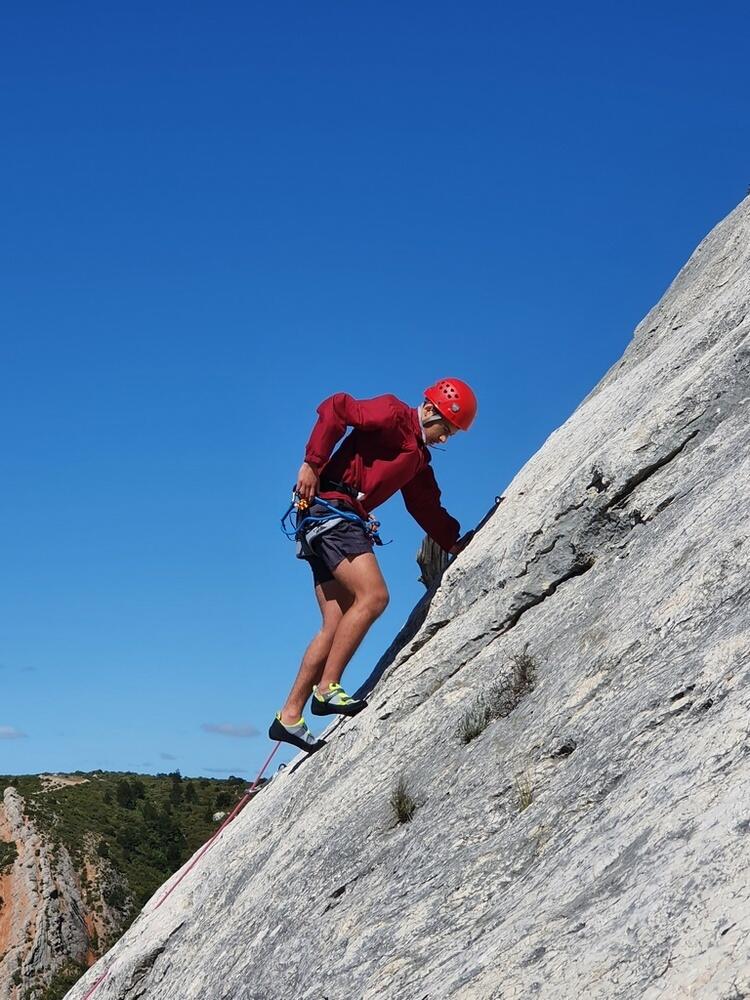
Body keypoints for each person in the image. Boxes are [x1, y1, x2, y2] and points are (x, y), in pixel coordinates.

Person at [269, 378, 477, 752]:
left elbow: (424, 505)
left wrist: (453, 541)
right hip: (333, 511)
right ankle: (327, 689)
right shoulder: (394, 413)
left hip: (324, 520)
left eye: (452, 434)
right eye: (445, 428)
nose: (445, 439)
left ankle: (289, 716)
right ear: (429, 409)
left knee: (335, 624)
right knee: (374, 597)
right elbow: (337, 406)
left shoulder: (417, 458)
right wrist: (312, 463)